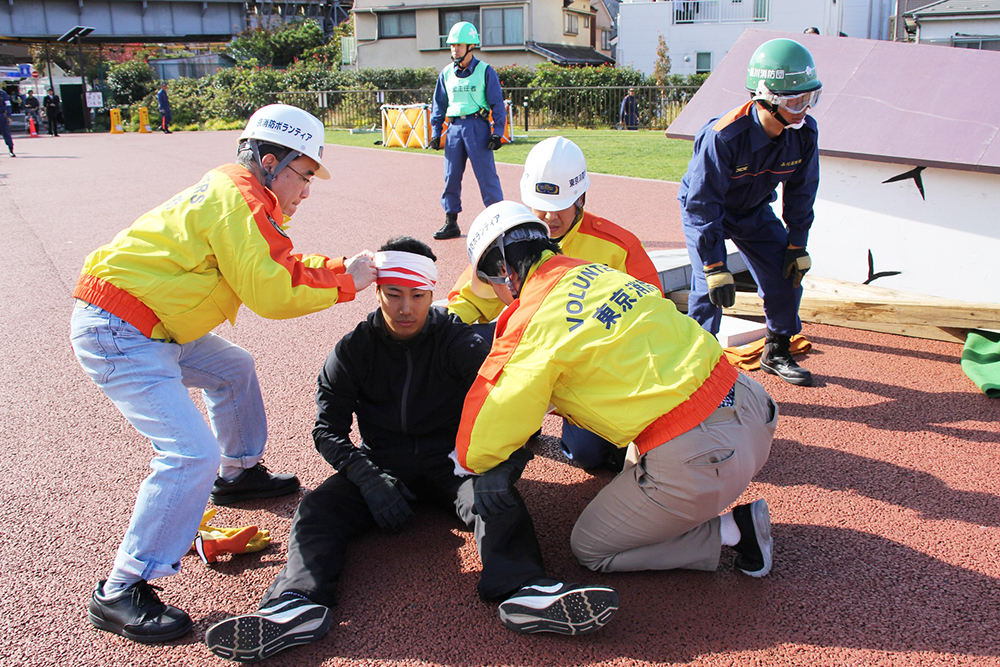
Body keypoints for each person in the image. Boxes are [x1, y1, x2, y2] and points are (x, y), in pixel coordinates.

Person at [204, 237, 618, 662]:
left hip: (453, 461)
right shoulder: (352, 351)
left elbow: (516, 402)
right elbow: (326, 430)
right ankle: (296, 604)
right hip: (382, 464)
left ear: (432, 293)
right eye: (394, 295)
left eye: (418, 296)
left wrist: (503, 469)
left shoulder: (457, 342)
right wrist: (367, 478)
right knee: (316, 510)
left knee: (497, 501)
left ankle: (526, 589)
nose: (406, 308)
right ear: (378, 291)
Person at [71, 103, 379, 644]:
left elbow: (275, 262)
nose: (306, 191)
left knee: (233, 367)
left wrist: (338, 270)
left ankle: (238, 475)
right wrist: (347, 281)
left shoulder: (239, 194)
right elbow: (271, 292)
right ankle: (123, 587)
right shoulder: (239, 200)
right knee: (189, 453)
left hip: (152, 323)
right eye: (304, 175)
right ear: (269, 161)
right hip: (122, 329)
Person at [457, 201, 779, 603]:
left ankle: (733, 530)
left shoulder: (530, 319)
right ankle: (679, 502)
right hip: (753, 406)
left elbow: (481, 441)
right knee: (632, 456)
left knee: (591, 547)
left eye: (492, 285)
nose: (497, 296)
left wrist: (463, 460)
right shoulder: (597, 271)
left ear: (504, 272)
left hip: (703, 454)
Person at [448, 136, 662, 470]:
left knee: (590, 456)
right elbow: (466, 302)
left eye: (559, 204)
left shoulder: (617, 247)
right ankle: (521, 420)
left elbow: (652, 312)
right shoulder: (508, 239)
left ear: (580, 197)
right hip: (536, 361)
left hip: (594, 372)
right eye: (538, 204)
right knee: (466, 345)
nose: (548, 215)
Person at [677, 38, 822, 386]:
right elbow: (702, 204)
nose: (804, 108)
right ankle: (696, 367)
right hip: (707, 211)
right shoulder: (722, 137)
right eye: (795, 100)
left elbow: (802, 192)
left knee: (787, 274)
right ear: (767, 98)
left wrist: (797, 245)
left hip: (753, 210)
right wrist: (714, 266)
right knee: (708, 289)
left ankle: (776, 349)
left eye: (810, 98)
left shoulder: (803, 135)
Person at [429, 21, 506, 240]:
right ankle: (451, 222)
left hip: (477, 127)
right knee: (450, 176)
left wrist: (496, 133)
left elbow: (497, 104)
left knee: (487, 176)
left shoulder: (485, 71)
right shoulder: (445, 74)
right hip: (453, 128)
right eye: (452, 45)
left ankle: (499, 222)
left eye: (459, 45)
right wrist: (436, 132)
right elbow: (439, 104)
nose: (454, 49)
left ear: (471, 46)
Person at [0, 89, 14, 157]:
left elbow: (8, 105)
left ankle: (11, 150)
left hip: (2, 115)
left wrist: (9, 116)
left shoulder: (3, 93)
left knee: (6, 133)